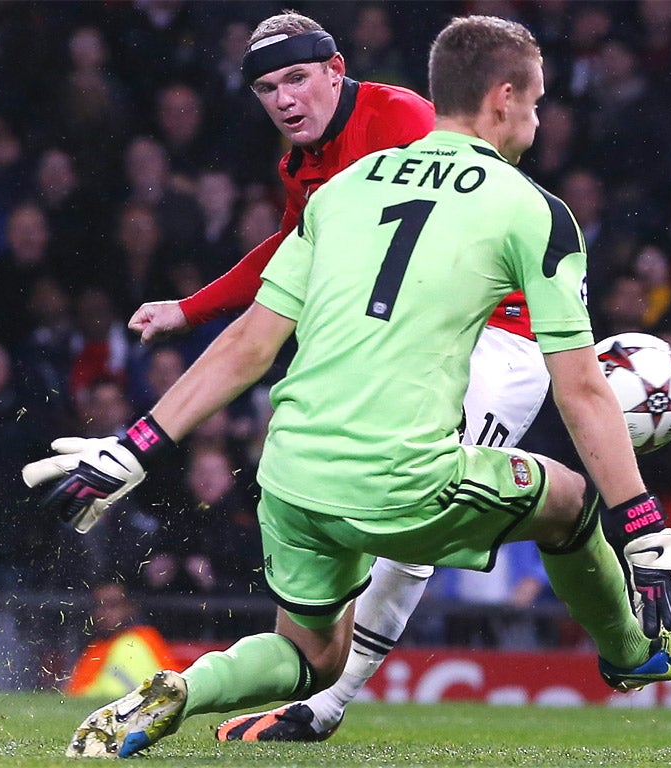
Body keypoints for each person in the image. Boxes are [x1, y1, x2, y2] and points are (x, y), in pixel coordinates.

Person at [22, 15, 671, 759]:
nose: (539, 115)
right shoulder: (533, 209)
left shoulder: (342, 189)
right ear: (502, 99)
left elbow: (248, 343)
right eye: (536, 99)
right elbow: (585, 392)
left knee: (307, 653)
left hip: (292, 470)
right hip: (416, 449)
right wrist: (643, 525)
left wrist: (137, 445)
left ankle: (188, 687)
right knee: (569, 505)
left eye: (294, 80)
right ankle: (628, 653)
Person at [120, 9, 550, 744]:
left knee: (417, 525)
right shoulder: (303, 165)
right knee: (370, 499)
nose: (284, 99)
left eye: (295, 79)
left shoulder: (406, 120)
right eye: (266, 89)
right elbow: (290, 251)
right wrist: (191, 310)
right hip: (409, 346)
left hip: (495, 338)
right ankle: (309, 672)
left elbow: (491, 203)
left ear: (335, 69)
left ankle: (325, 700)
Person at [65, 582, 179, 700]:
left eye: (113, 605)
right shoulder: (96, 648)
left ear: (129, 607)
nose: (105, 613)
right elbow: (74, 693)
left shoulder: (143, 638)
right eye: (100, 605)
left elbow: (175, 682)